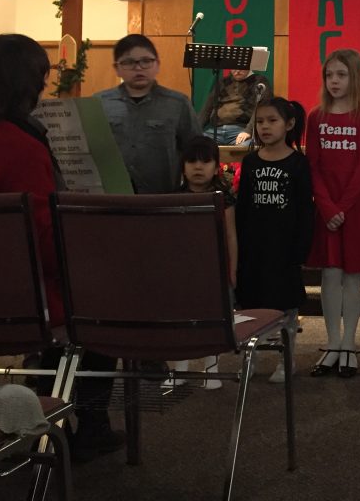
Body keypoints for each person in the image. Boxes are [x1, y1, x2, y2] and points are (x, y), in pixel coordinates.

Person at [0, 34, 123, 460]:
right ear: (24, 85)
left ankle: (37, 395)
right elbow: (43, 242)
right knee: (100, 300)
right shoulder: (20, 145)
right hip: (20, 303)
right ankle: (88, 423)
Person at [305, 49, 360, 379]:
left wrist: (342, 207)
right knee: (329, 274)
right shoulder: (316, 116)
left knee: (352, 275)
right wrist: (326, 206)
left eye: (341, 74)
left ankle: (349, 343)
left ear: (355, 77)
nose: (334, 81)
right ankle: (332, 344)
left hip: (354, 206)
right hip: (326, 206)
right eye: (329, 75)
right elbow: (314, 167)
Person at [235, 97, 313, 384]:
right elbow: (243, 207)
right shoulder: (251, 161)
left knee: (286, 306)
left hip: (284, 248)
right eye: (260, 121)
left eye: (272, 121)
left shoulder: (298, 163)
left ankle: (286, 359)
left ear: (289, 124)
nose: (265, 127)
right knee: (251, 305)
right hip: (254, 248)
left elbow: (305, 208)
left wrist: (301, 249)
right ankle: (249, 358)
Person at [166, 135, 237, 390]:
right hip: (184, 268)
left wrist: (233, 268)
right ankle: (179, 370)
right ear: (182, 166)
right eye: (192, 161)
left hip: (215, 267)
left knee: (214, 319)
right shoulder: (175, 197)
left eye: (205, 162)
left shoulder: (224, 197)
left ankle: (211, 369)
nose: (198, 167)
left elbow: (231, 235)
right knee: (182, 318)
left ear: (216, 166)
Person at [96, 34, 200, 193]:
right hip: (111, 199)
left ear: (157, 65)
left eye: (146, 61)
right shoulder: (99, 103)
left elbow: (194, 151)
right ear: (117, 68)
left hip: (163, 200)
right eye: (129, 62)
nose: (138, 68)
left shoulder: (178, 104)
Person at [199, 68, 272, 145]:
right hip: (216, 131)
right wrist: (195, 130)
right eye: (234, 68)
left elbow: (261, 108)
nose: (237, 71)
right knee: (194, 143)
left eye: (241, 68)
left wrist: (248, 131)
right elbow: (206, 110)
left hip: (240, 130)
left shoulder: (259, 81)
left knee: (247, 146)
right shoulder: (222, 82)